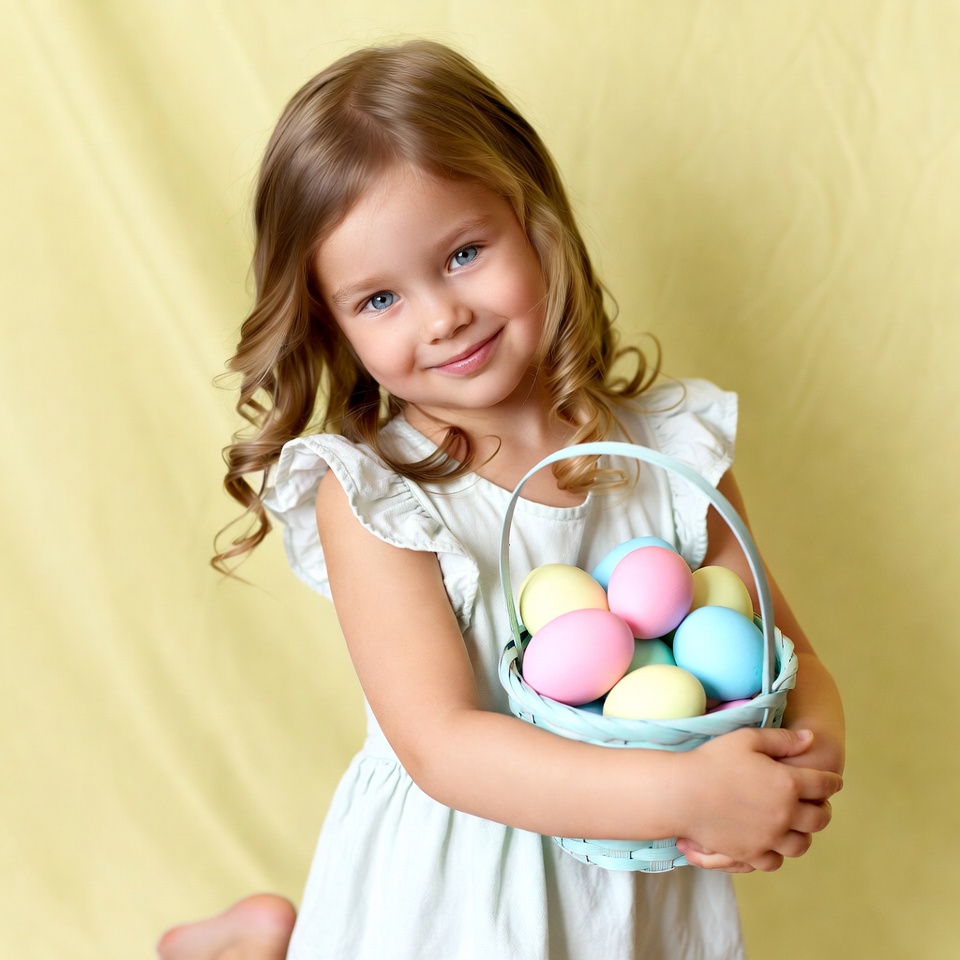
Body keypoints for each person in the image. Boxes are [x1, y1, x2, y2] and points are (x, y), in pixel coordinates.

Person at [158, 39, 845, 960]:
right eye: (378, 300)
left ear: (535, 221)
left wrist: (804, 760)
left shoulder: (671, 450)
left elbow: (780, 652)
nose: (443, 317)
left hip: (643, 876)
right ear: (330, 323)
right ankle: (247, 945)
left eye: (464, 253)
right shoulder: (376, 497)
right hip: (463, 892)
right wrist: (684, 794)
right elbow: (442, 744)